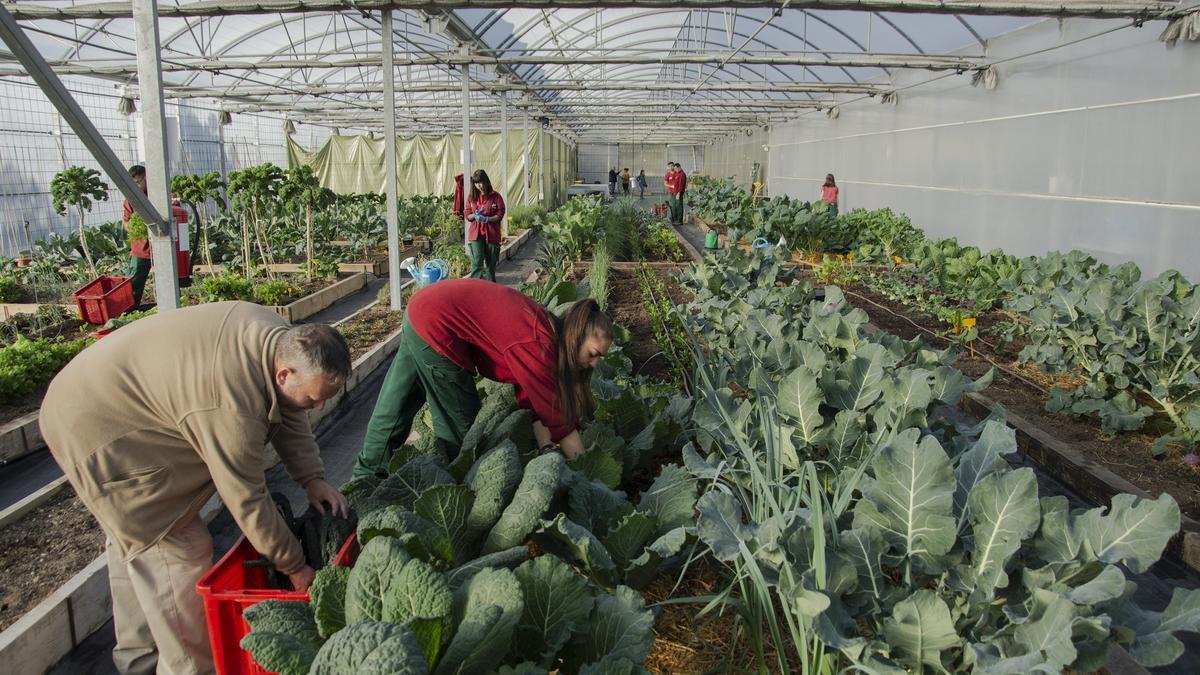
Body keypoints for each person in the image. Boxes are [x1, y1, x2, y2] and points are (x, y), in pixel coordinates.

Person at [40, 302, 352, 675]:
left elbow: (290, 411)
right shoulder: (230, 401)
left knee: (136, 543)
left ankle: (137, 660)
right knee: (177, 547)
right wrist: (295, 567)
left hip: (94, 398)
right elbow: (246, 497)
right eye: (313, 399)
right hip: (98, 429)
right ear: (284, 374)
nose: (318, 406)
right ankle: (188, 668)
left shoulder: (277, 339)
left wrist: (311, 477)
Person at [353, 280, 613, 478]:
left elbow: (536, 407)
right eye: (593, 354)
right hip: (439, 326)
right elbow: (558, 419)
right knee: (462, 429)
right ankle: (453, 486)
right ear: (575, 335)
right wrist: (587, 474)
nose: (594, 363)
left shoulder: (544, 330)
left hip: (424, 308)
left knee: (398, 402)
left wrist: (546, 449)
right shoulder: (539, 343)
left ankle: (364, 479)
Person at [464, 169, 505, 282]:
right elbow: (467, 214)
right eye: (476, 183)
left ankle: (491, 288)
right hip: (476, 234)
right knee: (477, 263)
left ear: (486, 181)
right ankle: (474, 288)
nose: (479, 186)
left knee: (491, 265)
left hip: (491, 234)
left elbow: (500, 214)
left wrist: (487, 219)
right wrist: (474, 216)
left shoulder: (496, 197)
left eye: (481, 182)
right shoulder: (472, 197)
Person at [664, 162, 684, 226]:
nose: (671, 167)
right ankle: (673, 218)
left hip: (677, 192)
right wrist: (671, 186)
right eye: (669, 166)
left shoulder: (677, 173)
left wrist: (680, 191)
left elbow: (681, 182)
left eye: (672, 166)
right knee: (672, 206)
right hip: (671, 192)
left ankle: (678, 220)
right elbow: (665, 183)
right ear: (668, 167)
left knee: (678, 205)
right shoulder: (667, 174)